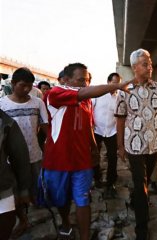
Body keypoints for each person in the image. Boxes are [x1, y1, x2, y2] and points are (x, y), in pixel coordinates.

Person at [41, 63, 131, 240]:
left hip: (82, 161)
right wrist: (116, 86)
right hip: (58, 161)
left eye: (88, 80)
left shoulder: (87, 100)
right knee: (61, 199)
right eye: (81, 80)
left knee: (83, 199)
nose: (85, 84)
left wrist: (94, 148)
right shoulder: (55, 94)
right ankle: (66, 223)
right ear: (66, 80)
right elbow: (81, 93)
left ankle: (84, 236)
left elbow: (89, 124)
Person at [115, 49, 157, 240]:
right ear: (134, 68)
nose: (150, 67)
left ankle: (136, 199)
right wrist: (120, 147)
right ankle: (142, 229)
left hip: (154, 145)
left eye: (150, 63)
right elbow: (120, 121)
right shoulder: (124, 90)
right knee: (141, 185)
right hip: (133, 147)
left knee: (145, 180)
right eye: (145, 64)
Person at [0, 67, 49, 238]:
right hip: (10, 160)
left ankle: (36, 210)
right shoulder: (2, 104)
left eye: (30, 86)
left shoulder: (38, 103)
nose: (27, 89)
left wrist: (50, 144)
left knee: (34, 188)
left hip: (34, 154)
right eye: (23, 85)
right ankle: (22, 219)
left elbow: (45, 126)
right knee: (15, 193)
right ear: (13, 84)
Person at [0, 109, 31, 240]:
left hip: (3, 188)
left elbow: (20, 157)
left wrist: (23, 190)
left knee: (5, 225)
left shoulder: (5, 122)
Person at [92, 72, 121, 198]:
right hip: (97, 130)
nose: (116, 86)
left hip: (112, 131)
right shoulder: (98, 94)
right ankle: (96, 177)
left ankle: (111, 183)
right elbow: (90, 109)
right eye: (114, 82)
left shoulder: (119, 97)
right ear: (108, 82)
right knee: (94, 155)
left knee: (113, 158)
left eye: (118, 83)